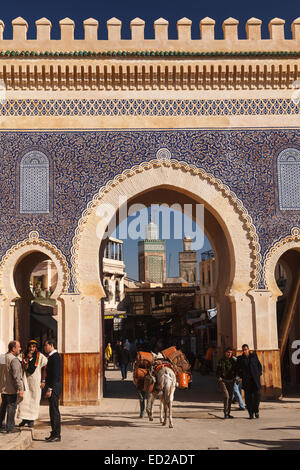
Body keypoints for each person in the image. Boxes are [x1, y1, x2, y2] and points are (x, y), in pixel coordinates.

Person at [17, 340, 48, 428]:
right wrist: (27, 358)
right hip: (25, 380)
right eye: (30, 347)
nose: (32, 348)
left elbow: (44, 368)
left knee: (34, 399)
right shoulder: (22, 355)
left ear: (36, 348)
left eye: (33, 347)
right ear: (27, 347)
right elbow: (20, 365)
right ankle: (24, 419)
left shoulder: (40, 356)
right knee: (24, 400)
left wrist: (43, 380)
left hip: (35, 381)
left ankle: (31, 420)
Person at [0, 340, 24, 433]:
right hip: (11, 389)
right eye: (19, 347)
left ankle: (1, 426)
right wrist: (20, 389)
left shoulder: (2, 357)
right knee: (11, 408)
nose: (20, 349)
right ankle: (10, 428)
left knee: (3, 407)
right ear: (13, 349)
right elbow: (17, 377)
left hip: (3, 388)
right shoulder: (14, 360)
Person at [237, 344, 262, 419]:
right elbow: (238, 369)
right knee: (248, 398)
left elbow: (259, 366)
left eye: (246, 349)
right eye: (243, 350)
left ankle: (256, 410)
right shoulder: (240, 359)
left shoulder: (254, 356)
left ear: (248, 349)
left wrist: (258, 374)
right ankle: (250, 413)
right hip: (246, 381)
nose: (245, 351)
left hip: (255, 380)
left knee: (257, 395)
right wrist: (240, 377)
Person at [44, 339, 62, 441]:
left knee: (54, 411)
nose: (45, 347)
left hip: (54, 386)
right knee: (52, 410)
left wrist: (49, 389)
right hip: (54, 385)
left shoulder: (55, 357)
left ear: (51, 345)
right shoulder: (52, 356)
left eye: (46, 345)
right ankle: (54, 433)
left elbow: (54, 375)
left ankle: (56, 435)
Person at [216, 347, 237, 419]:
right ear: (225, 353)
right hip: (223, 381)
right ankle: (225, 413)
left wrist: (236, 378)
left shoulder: (233, 361)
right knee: (226, 396)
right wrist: (219, 377)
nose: (229, 354)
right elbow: (217, 370)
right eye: (228, 352)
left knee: (230, 397)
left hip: (231, 380)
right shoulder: (221, 361)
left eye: (230, 352)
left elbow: (237, 369)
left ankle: (228, 413)